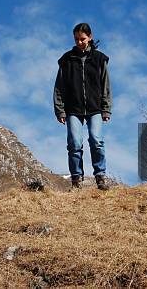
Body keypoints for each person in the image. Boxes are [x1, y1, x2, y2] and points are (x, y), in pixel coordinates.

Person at [53, 23, 112, 191]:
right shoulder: (66, 60)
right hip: (73, 109)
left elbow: (106, 85)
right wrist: (60, 109)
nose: (79, 42)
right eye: (76, 39)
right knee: (74, 143)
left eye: (82, 39)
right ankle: (76, 181)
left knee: (97, 141)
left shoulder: (100, 59)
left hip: (95, 108)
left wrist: (106, 108)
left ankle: (100, 177)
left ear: (90, 37)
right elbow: (59, 87)